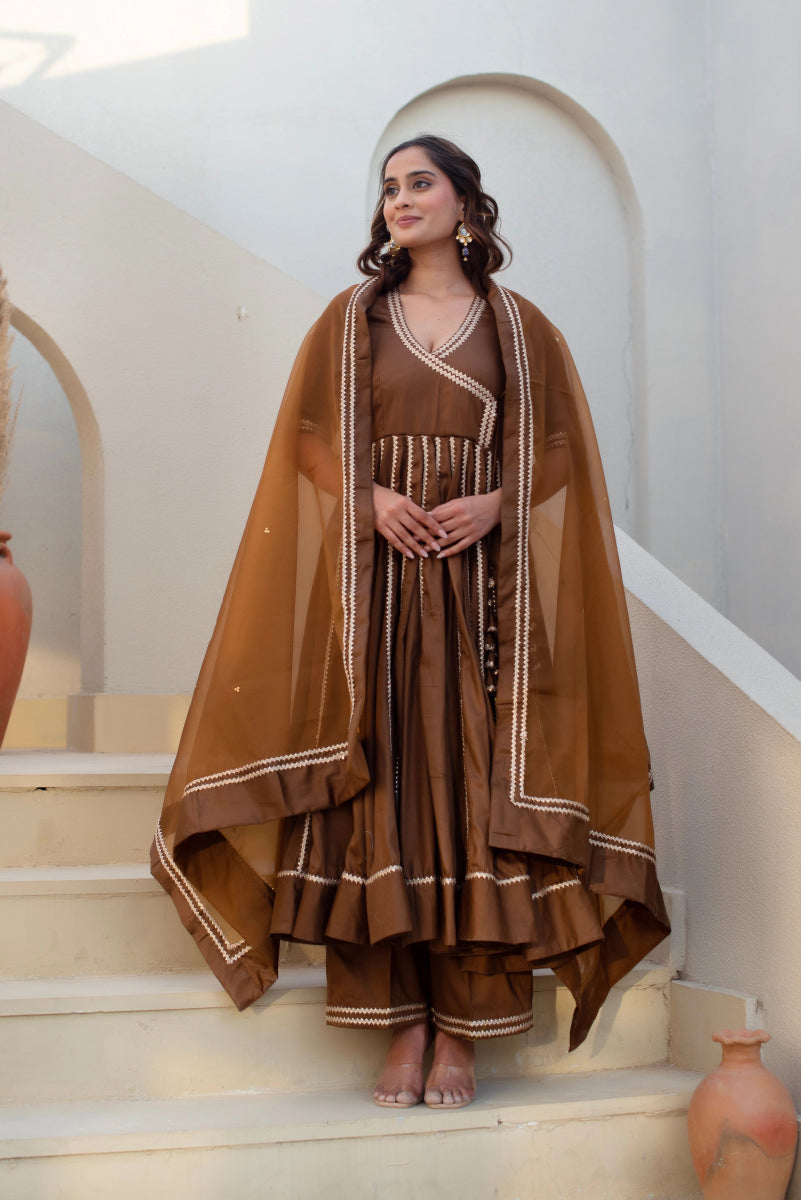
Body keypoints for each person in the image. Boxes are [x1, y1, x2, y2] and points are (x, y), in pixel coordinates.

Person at [151, 134, 670, 1112]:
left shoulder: (521, 328)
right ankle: (403, 1026)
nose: (399, 199)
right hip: (377, 597)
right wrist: (371, 499)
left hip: (483, 602)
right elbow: (307, 442)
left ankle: (463, 1031)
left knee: (473, 796)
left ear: (466, 202)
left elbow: (562, 453)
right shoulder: (352, 319)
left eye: (419, 183)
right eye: (388, 187)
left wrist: (496, 506)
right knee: (379, 790)